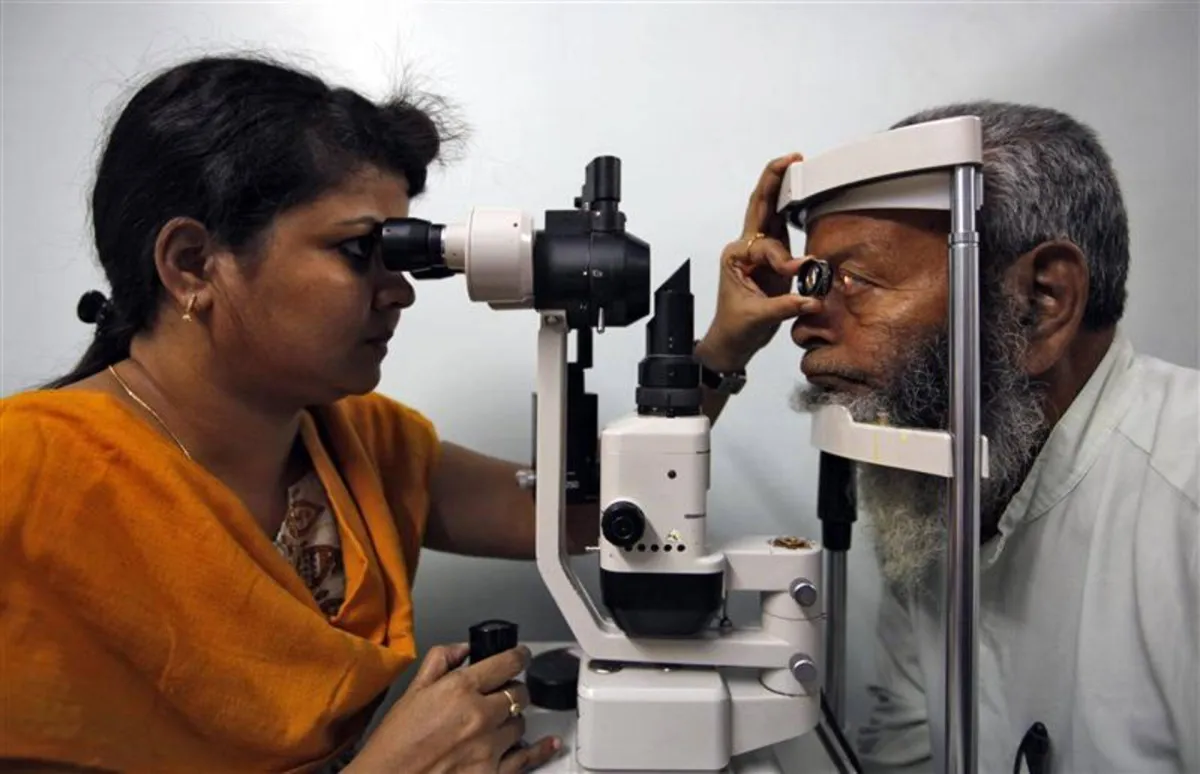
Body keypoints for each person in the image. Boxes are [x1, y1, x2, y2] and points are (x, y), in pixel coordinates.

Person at [0, 53, 810, 774]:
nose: (400, 290)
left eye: (402, 252)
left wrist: (723, 346)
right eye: (361, 250)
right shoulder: (26, 476)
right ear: (191, 264)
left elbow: (585, 513)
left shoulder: (358, 443)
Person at [695, 102, 1199, 773]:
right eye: (812, 283)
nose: (803, 328)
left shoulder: (1183, 500)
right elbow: (905, 748)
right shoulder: (939, 479)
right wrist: (717, 355)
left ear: (1040, 302)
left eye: (854, 280)